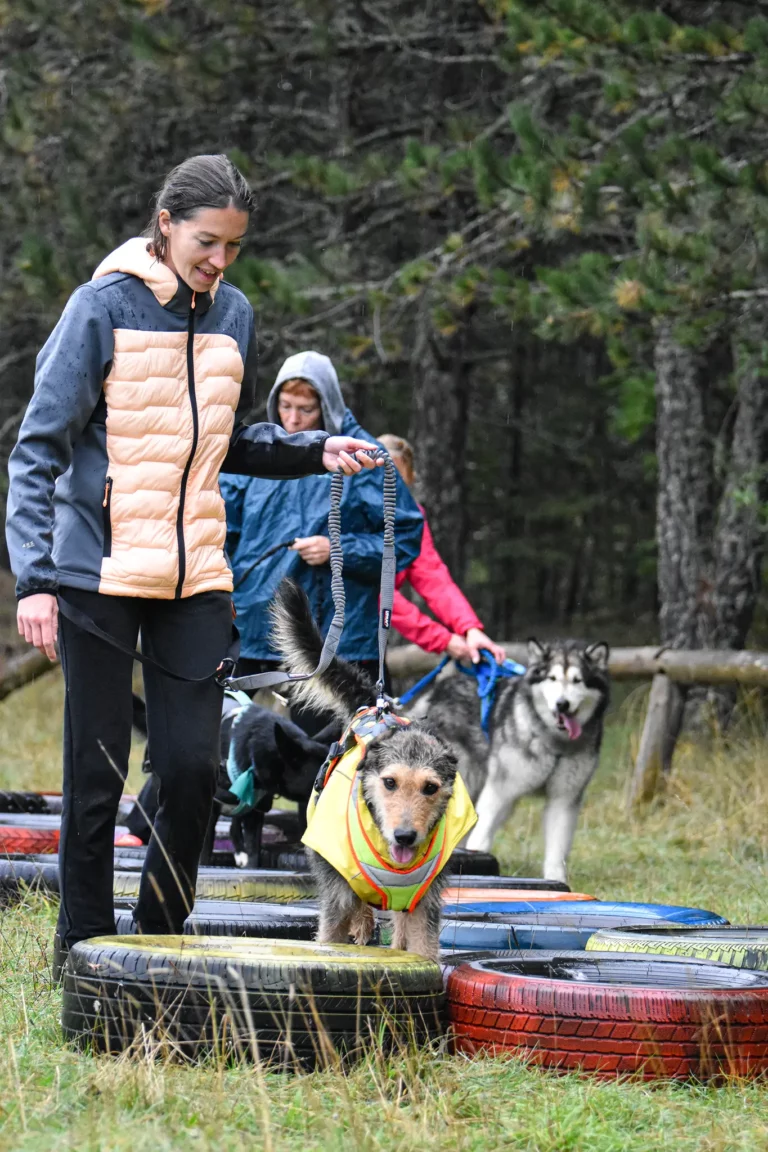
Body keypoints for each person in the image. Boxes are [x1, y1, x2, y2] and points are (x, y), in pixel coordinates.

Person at [5, 154, 382, 972]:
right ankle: (84, 952)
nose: (219, 261)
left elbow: (228, 440)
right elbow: (36, 450)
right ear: (166, 223)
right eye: (208, 242)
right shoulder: (98, 308)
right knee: (98, 771)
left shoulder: (233, 314)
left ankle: (158, 947)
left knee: (192, 767)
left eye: (234, 247)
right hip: (96, 575)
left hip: (195, 577)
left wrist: (321, 451)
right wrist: (34, 578)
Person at [220, 352, 424, 733]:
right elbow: (221, 527)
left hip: (333, 634)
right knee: (233, 752)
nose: (293, 419)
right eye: (285, 406)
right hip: (251, 622)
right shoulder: (259, 452)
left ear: (327, 405)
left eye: (306, 409)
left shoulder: (363, 457)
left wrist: (339, 550)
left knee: (321, 755)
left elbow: (406, 538)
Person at [378, 435, 506, 665]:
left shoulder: (409, 519)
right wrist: (441, 638)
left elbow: (432, 577)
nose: (388, 483)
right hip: (325, 640)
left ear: (410, 480)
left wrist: (468, 628)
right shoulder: (345, 513)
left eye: (397, 477)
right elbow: (374, 592)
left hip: (367, 647)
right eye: (380, 473)